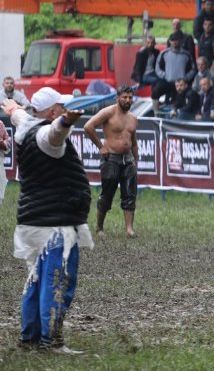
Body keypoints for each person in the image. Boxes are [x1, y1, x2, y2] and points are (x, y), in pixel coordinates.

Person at [3, 88, 92, 354]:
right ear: (52, 112)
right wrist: (66, 122)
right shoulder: (45, 135)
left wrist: (12, 108)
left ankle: (29, 337)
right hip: (56, 223)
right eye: (61, 107)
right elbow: (54, 134)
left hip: (34, 221)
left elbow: (20, 117)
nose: (65, 109)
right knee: (57, 280)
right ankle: (51, 341)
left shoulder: (25, 127)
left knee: (36, 280)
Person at [83, 86, 138, 238]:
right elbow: (88, 127)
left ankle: (129, 229)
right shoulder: (108, 112)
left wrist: (136, 161)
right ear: (117, 97)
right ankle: (99, 227)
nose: (128, 100)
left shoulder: (133, 118)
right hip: (111, 159)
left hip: (128, 159)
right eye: (125, 97)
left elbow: (133, 141)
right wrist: (101, 147)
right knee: (107, 195)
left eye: (130, 97)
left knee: (130, 194)